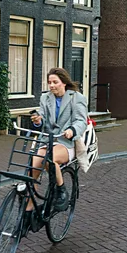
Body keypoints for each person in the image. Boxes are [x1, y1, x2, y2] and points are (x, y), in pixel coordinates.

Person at [29, 67, 86, 212]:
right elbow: (42, 117)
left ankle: (61, 190)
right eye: (49, 82)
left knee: (50, 159)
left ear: (64, 83)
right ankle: (28, 211)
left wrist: (72, 130)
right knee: (34, 166)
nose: (52, 85)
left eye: (55, 82)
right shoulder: (45, 98)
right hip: (48, 140)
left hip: (66, 142)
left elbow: (81, 121)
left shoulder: (77, 98)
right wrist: (38, 120)